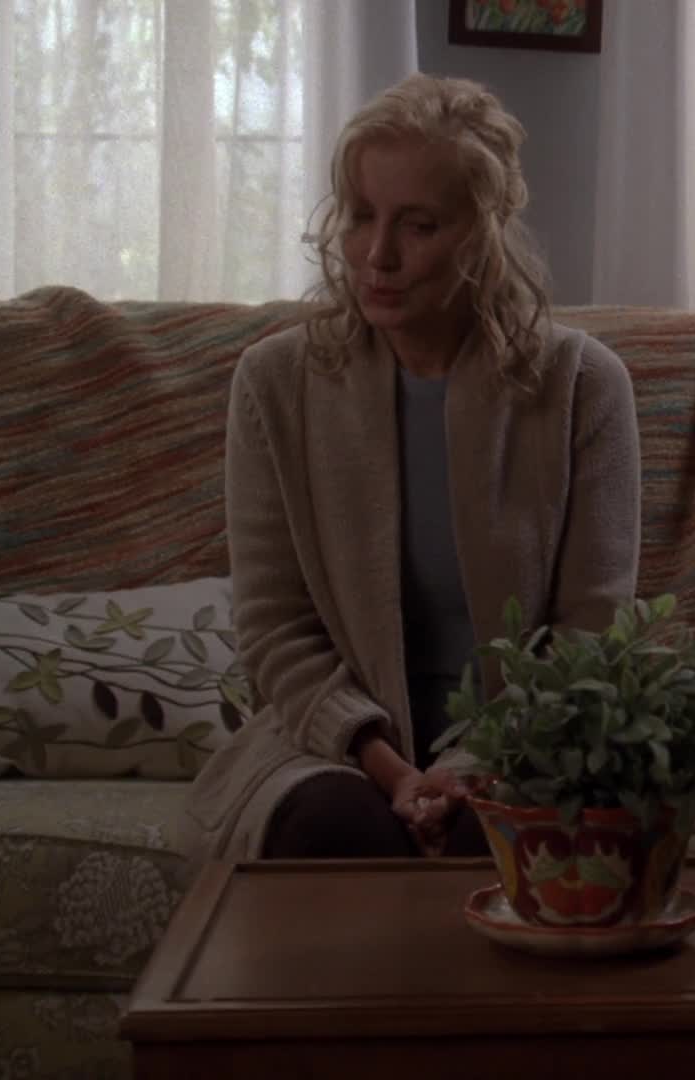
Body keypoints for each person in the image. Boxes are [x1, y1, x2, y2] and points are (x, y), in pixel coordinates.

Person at [181, 74, 641, 862]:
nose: (378, 255)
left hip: (525, 743)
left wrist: (466, 769)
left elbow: (589, 633)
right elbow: (274, 628)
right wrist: (389, 768)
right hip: (332, 746)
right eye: (361, 216)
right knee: (334, 830)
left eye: (419, 225)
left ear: (482, 235)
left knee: (489, 833)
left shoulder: (582, 384)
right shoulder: (274, 383)